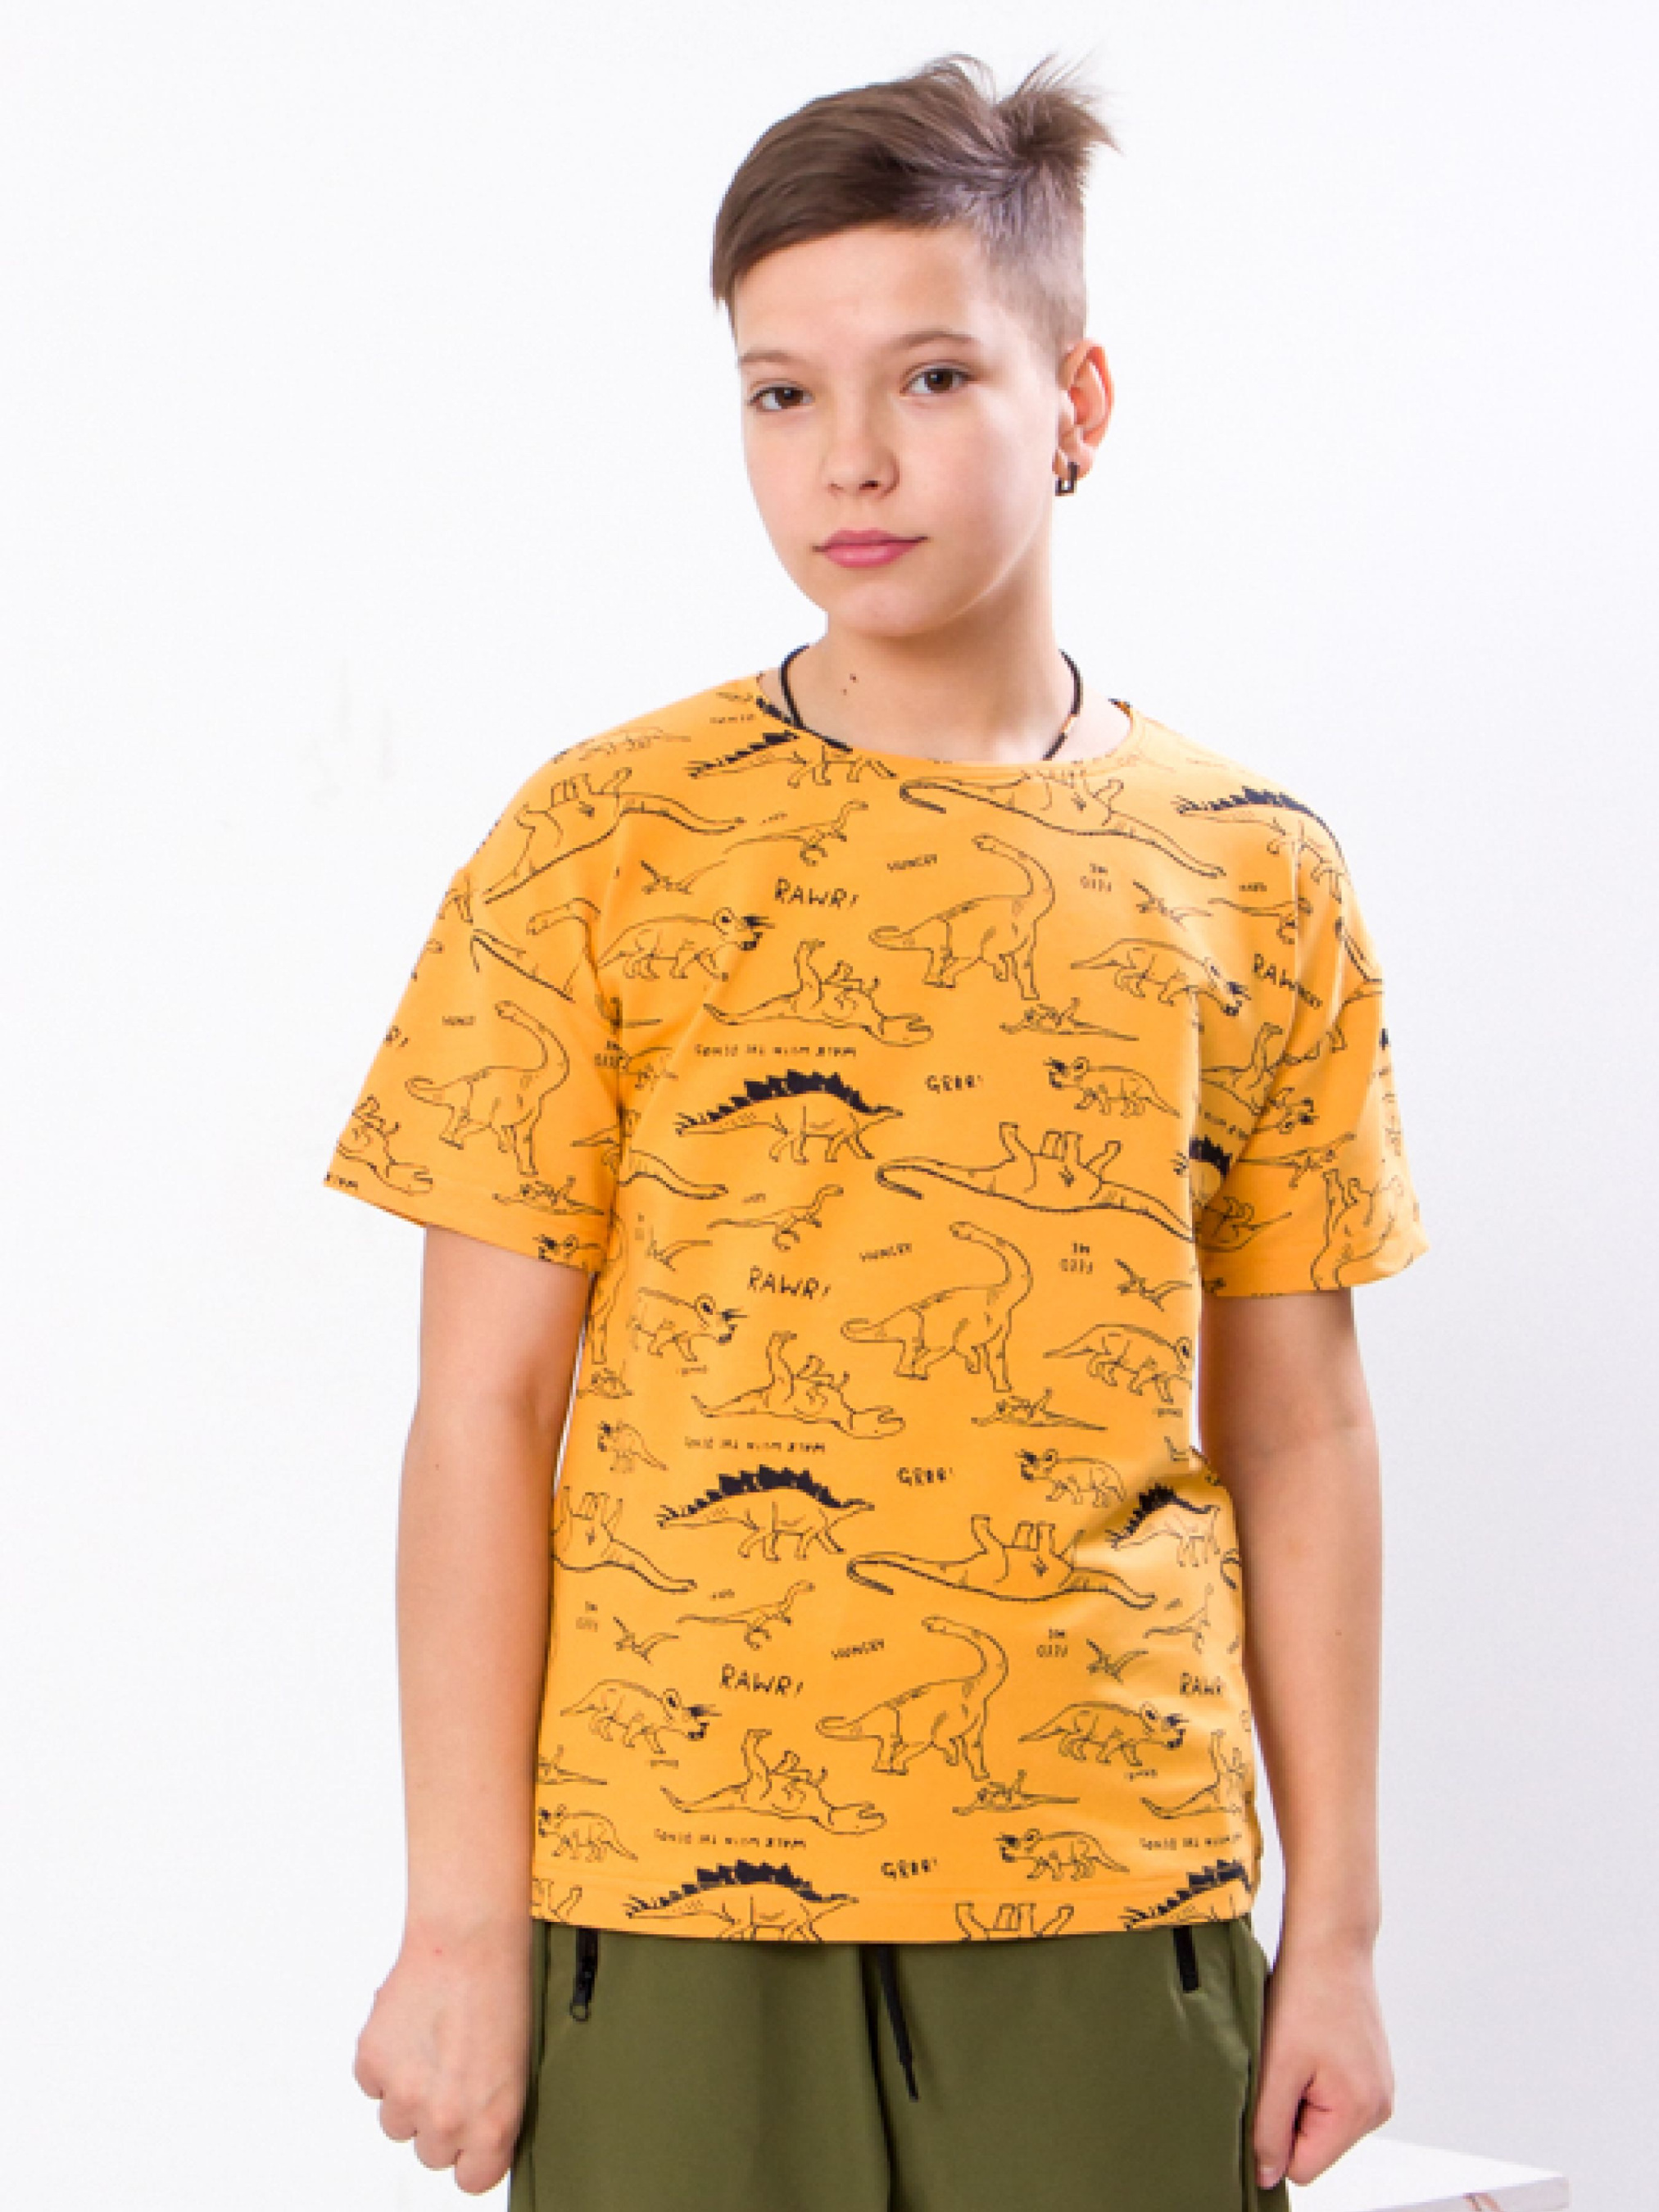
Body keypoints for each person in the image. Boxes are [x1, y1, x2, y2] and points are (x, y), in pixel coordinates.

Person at [324, 49, 1428, 2210]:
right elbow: (482, 1407)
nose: (850, 455)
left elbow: (1301, 1426)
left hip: (1110, 1884)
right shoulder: (603, 839)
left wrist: (1344, 1939)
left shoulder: (1251, 868)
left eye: (931, 377)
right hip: (662, 1886)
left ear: (1076, 401)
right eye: (779, 392)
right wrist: (457, 1928)